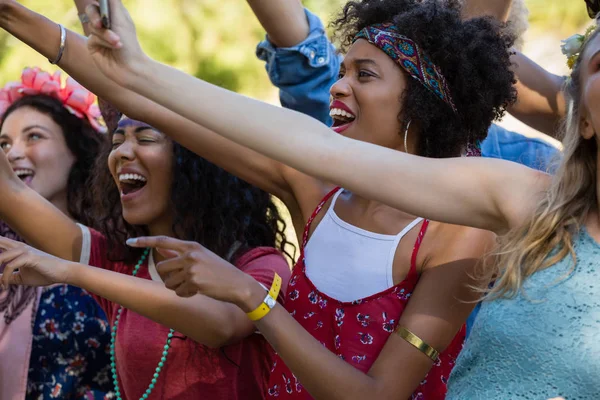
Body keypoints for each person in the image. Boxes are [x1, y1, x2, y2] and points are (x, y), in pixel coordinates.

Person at [74, 4, 600, 397]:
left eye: (363, 75)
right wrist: (68, 38)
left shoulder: (462, 231)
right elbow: (162, 108)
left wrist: (255, 301)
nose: (337, 89)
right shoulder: (316, 190)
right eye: (341, 71)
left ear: (420, 102)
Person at [0, 67, 113, 400]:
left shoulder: (116, 247)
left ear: (77, 149)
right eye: (3, 142)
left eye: (33, 136)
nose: (13, 153)